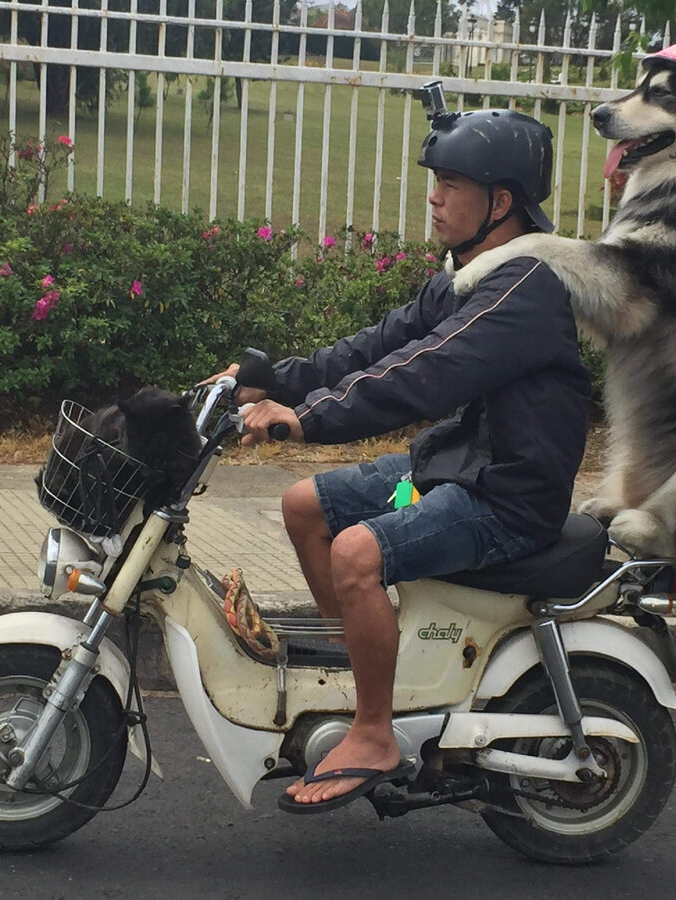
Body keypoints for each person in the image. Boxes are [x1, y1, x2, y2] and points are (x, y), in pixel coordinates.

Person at [214, 107, 591, 812]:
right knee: (305, 506)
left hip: (505, 499)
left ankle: (375, 729)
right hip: (455, 467)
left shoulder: (524, 289)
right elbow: (375, 348)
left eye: (450, 183)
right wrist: (269, 377)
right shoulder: (470, 275)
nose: (434, 196)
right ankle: (365, 672)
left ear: (500, 202)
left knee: (357, 553)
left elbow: (422, 375)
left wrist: (304, 420)